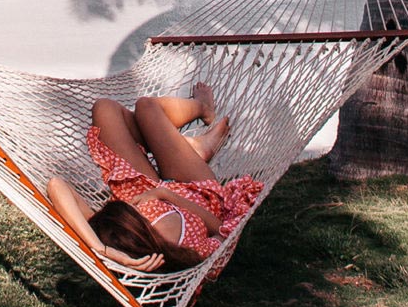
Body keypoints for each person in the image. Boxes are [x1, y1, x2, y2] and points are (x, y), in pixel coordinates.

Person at [47, 82, 261, 273]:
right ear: (139, 228)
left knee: (105, 109)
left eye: (132, 210)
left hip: (142, 189)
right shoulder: (187, 249)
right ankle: (201, 114)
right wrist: (166, 194)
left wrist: (100, 248)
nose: (135, 210)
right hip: (194, 189)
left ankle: (190, 147)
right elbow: (220, 229)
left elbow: (56, 186)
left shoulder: (110, 238)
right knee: (146, 107)